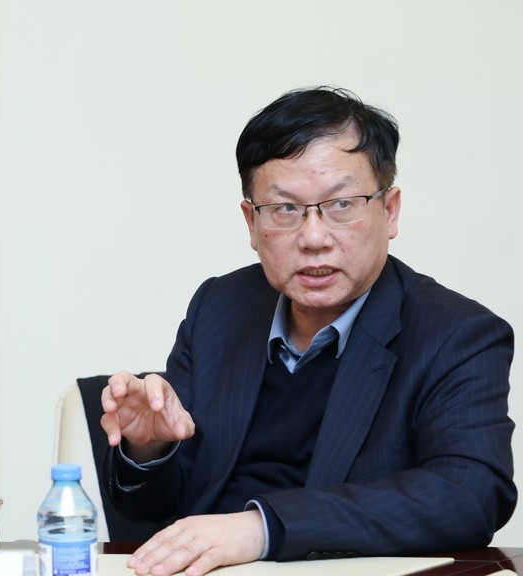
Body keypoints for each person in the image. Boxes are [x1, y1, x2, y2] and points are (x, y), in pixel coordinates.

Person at [100, 87, 515, 576]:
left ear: (390, 210)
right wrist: (150, 449)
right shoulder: (219, 307)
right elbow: (151, 510)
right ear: (251, 223)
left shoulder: (456, 334)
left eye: (342, 204)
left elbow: (470, 494)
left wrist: (262, 528)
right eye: (285, 209)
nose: (314, 237)